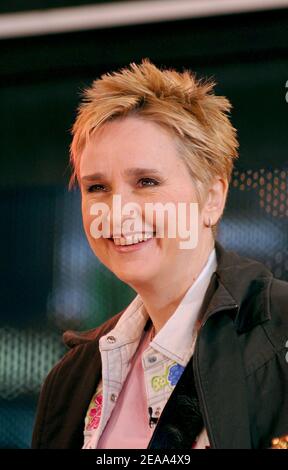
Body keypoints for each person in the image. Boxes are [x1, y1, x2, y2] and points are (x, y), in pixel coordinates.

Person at [31, 58, 288, 449]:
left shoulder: (278, 336)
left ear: (212, 198)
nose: (117, 212)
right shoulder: (71, 379)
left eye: (146, 181)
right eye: (96, 187)